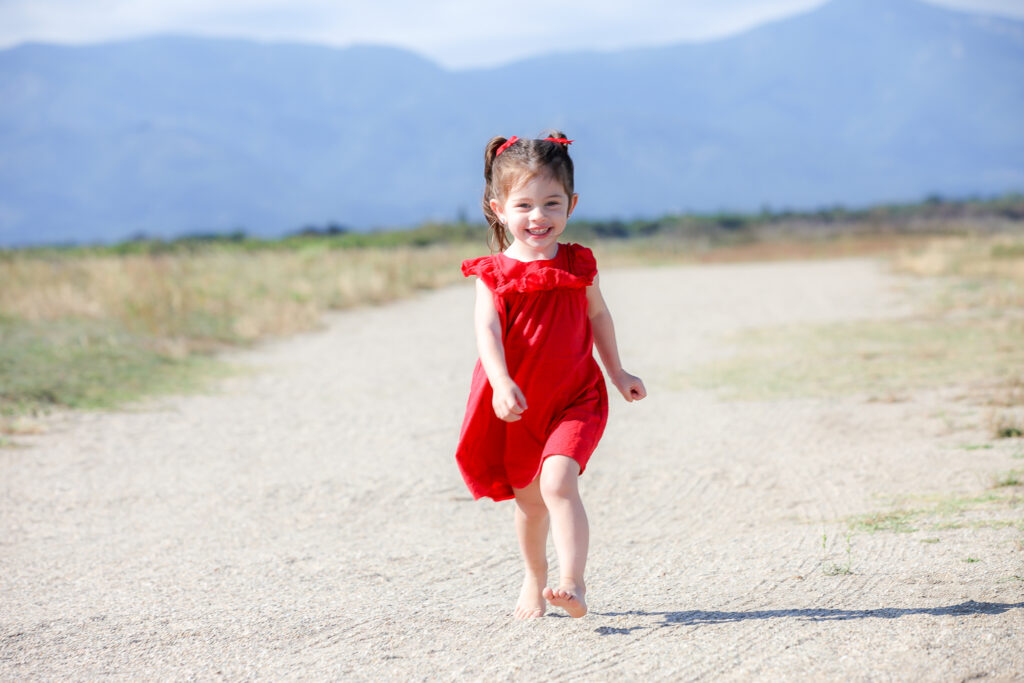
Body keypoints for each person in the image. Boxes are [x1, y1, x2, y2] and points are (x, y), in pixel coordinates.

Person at [454, 132, 646, 619]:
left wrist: (617, 371)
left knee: (558, 484)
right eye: (524, 205)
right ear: (498, 208)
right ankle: (534, 574)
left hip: (577, 397)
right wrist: (500, 383)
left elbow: (599, 316)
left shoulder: (579, 264)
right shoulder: (493, 273)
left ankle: (571, 583)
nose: (538, 216)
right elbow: (487, 331)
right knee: (531, 503)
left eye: (551, 203)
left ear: (572, 204)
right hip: (520, 406)